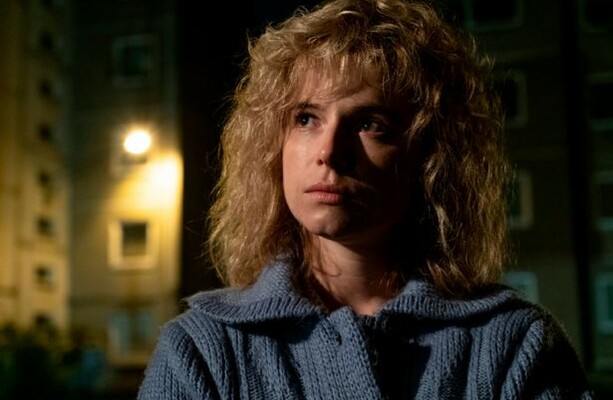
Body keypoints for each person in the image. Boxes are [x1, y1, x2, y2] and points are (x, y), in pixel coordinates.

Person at [137, 0, 593, 398]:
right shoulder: (202, 348)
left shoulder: (515, 344)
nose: (329, 152)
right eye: (306, 118)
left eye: (370, 124)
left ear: (430, 157)